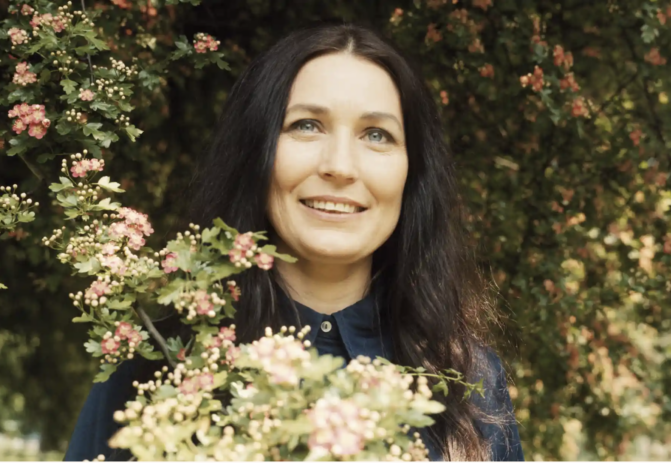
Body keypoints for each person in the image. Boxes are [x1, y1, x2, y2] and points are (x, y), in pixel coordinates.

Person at [64, 22, 524, 461]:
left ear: (413, 173)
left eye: (376, 135)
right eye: (306, 125)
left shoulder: (469, 378)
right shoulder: (162, 358)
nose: (339, 165)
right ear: (257, 152)